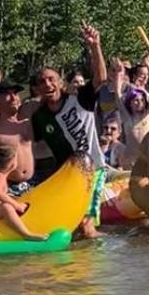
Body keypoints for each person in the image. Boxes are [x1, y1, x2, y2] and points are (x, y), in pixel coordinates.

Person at [25, 22, 107, 190]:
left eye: (51, 79)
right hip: (67, 177)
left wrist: (95, 46)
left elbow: (101, 78)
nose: (47, 85)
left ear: (61, 83)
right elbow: (27, 145)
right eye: (42, 82)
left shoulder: (80, 99)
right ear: (37, 89)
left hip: (95, 171)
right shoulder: (39, 116)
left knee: (90, 215)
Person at [0, 144, 48, 241]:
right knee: (6, 207)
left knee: (12, 201)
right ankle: (26, 234)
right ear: (12, 164)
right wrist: (16, 205)